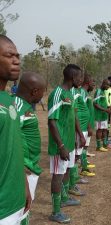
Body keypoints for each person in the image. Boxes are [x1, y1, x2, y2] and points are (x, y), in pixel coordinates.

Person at [48, 64, 85, 223]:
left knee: (65, 171)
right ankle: (55, 211)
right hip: (59, 145)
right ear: (72, 77)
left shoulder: (71, 93)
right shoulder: (57, 93)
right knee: (57, 175)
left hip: (70, 141)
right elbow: (52, 122)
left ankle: (64, 197)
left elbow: (74, 116)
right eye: (79, 77)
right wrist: (61, 146)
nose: (81, 80)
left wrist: (79, 135)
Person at [0, 35, 31, 225]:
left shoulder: (8, 99)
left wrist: (24, 185)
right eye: (9, 55)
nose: (17, 61)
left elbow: (14, 147)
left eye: (18, 56)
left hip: (16, 200)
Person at [14, 72, 46, 225]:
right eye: (42, 91)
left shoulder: (25, 107)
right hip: (24, 168)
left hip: (30, 166)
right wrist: (22, 165)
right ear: (34, 92)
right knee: (20, 210)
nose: (42, 95)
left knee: (25, 209)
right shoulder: (17, 107)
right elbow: (10, 137)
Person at [94, 79, 111, 152]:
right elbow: (95, 104)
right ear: (103, 84)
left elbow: (102, 103)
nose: (108, 87)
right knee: (99, 130)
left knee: (105, 129)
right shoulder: (98, 91)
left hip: (104, 115)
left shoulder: (103, 92)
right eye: (108, 85)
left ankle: (105, 144)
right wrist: (105, 110)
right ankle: (98, 147)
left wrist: (108, 109)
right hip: (99, 116)